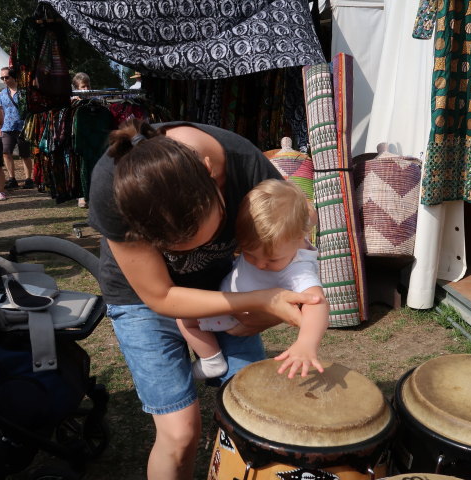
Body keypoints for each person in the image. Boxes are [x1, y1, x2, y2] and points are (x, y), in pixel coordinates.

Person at [87, 119, 320, 479]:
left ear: (210, 175)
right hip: (141, 300)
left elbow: (294, 254)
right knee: (180, 435)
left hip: (223, 290)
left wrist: (268, 309)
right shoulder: (111, 186)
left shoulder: (248, 167)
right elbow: (161, 295)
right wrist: (262, 300)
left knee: (252, 414)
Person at [178, 179, 329, 380]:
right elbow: (307, 217)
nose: (260, 264)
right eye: (249, 254)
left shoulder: (298, 267)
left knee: (183, 318)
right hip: (228, 303)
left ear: (300, 238)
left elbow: (317, 303)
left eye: (272, 259)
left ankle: (211, 359)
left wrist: (307, 343)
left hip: (230, 314)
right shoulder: (287, 236)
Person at [0, 67, 33, 190]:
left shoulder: (25, 92)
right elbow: (0, 110)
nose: (4, 80)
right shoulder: (2, 93)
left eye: (6, 77)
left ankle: (29, 179)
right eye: (2, 78)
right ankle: (12, 178)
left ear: (13, 77)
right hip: (7, 127)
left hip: (22, 127)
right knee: (5, 152)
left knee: (25, 154)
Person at [72, 72, 91, 207]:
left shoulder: (94, 100)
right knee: (78, 166)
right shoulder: (72, 103)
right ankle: (81, 195)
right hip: (76, 138)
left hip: (91, 138)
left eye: (87, 86)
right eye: (83, 87)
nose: (86, 89)